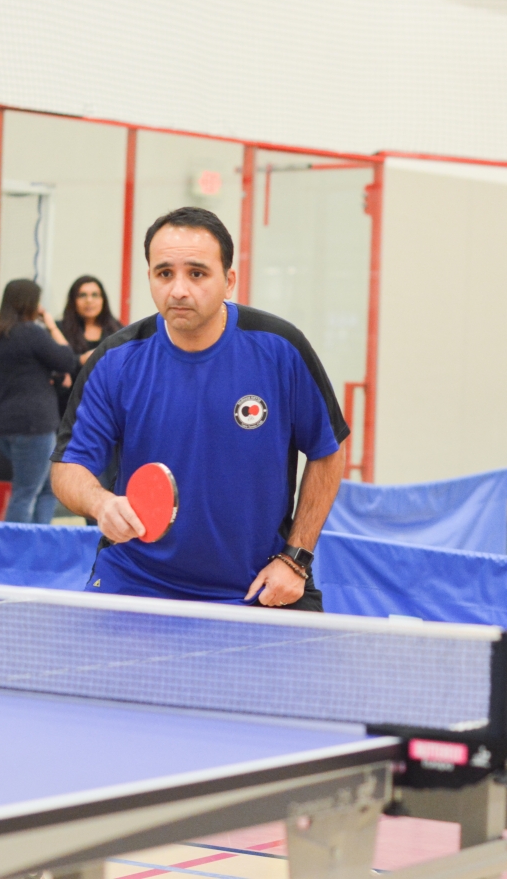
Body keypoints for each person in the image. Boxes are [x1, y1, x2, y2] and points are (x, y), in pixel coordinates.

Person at [51, 207, 347, 609]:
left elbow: (328, 451)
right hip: (136, 581)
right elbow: (68, 467)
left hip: (256, 586)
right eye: (164, 273)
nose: (178, 290)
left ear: (229, 281)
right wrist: (100, 503)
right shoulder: (116, 361)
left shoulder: (280, 348)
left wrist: (296, 560)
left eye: (197, 273)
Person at [0, 278, 78, 523]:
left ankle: (39, 543)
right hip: (33, 426)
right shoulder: (30, 333)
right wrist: (51, 326)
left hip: (4, 425)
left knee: (47, 489)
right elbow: (67, 360)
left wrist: (50, 379)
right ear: (30, 304)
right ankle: (14, 553)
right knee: (25, 493)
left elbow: (23, 374)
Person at [55, 275, 123, 417]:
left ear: (103, 300)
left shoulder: (117, 330)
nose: (89, 300)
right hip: (67, 408)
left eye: (95, 295)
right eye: (82, 295)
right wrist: (80, 360)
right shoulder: (59, 329)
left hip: (106, 409)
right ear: (73, 301)